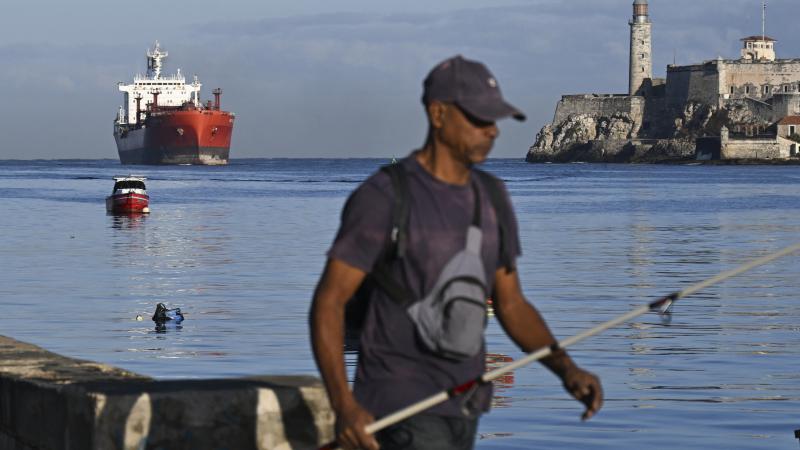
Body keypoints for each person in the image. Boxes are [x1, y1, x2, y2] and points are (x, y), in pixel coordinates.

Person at [310, 55, 603, 450]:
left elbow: (512, 305)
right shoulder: (384, 197)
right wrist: (343, 405)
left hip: (464, 410)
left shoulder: (492, 198)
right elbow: (329, 303)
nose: (491, 132)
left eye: (494, 122)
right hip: (397, 410)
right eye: (479, 120)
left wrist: (565, 368)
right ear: (438, 114)